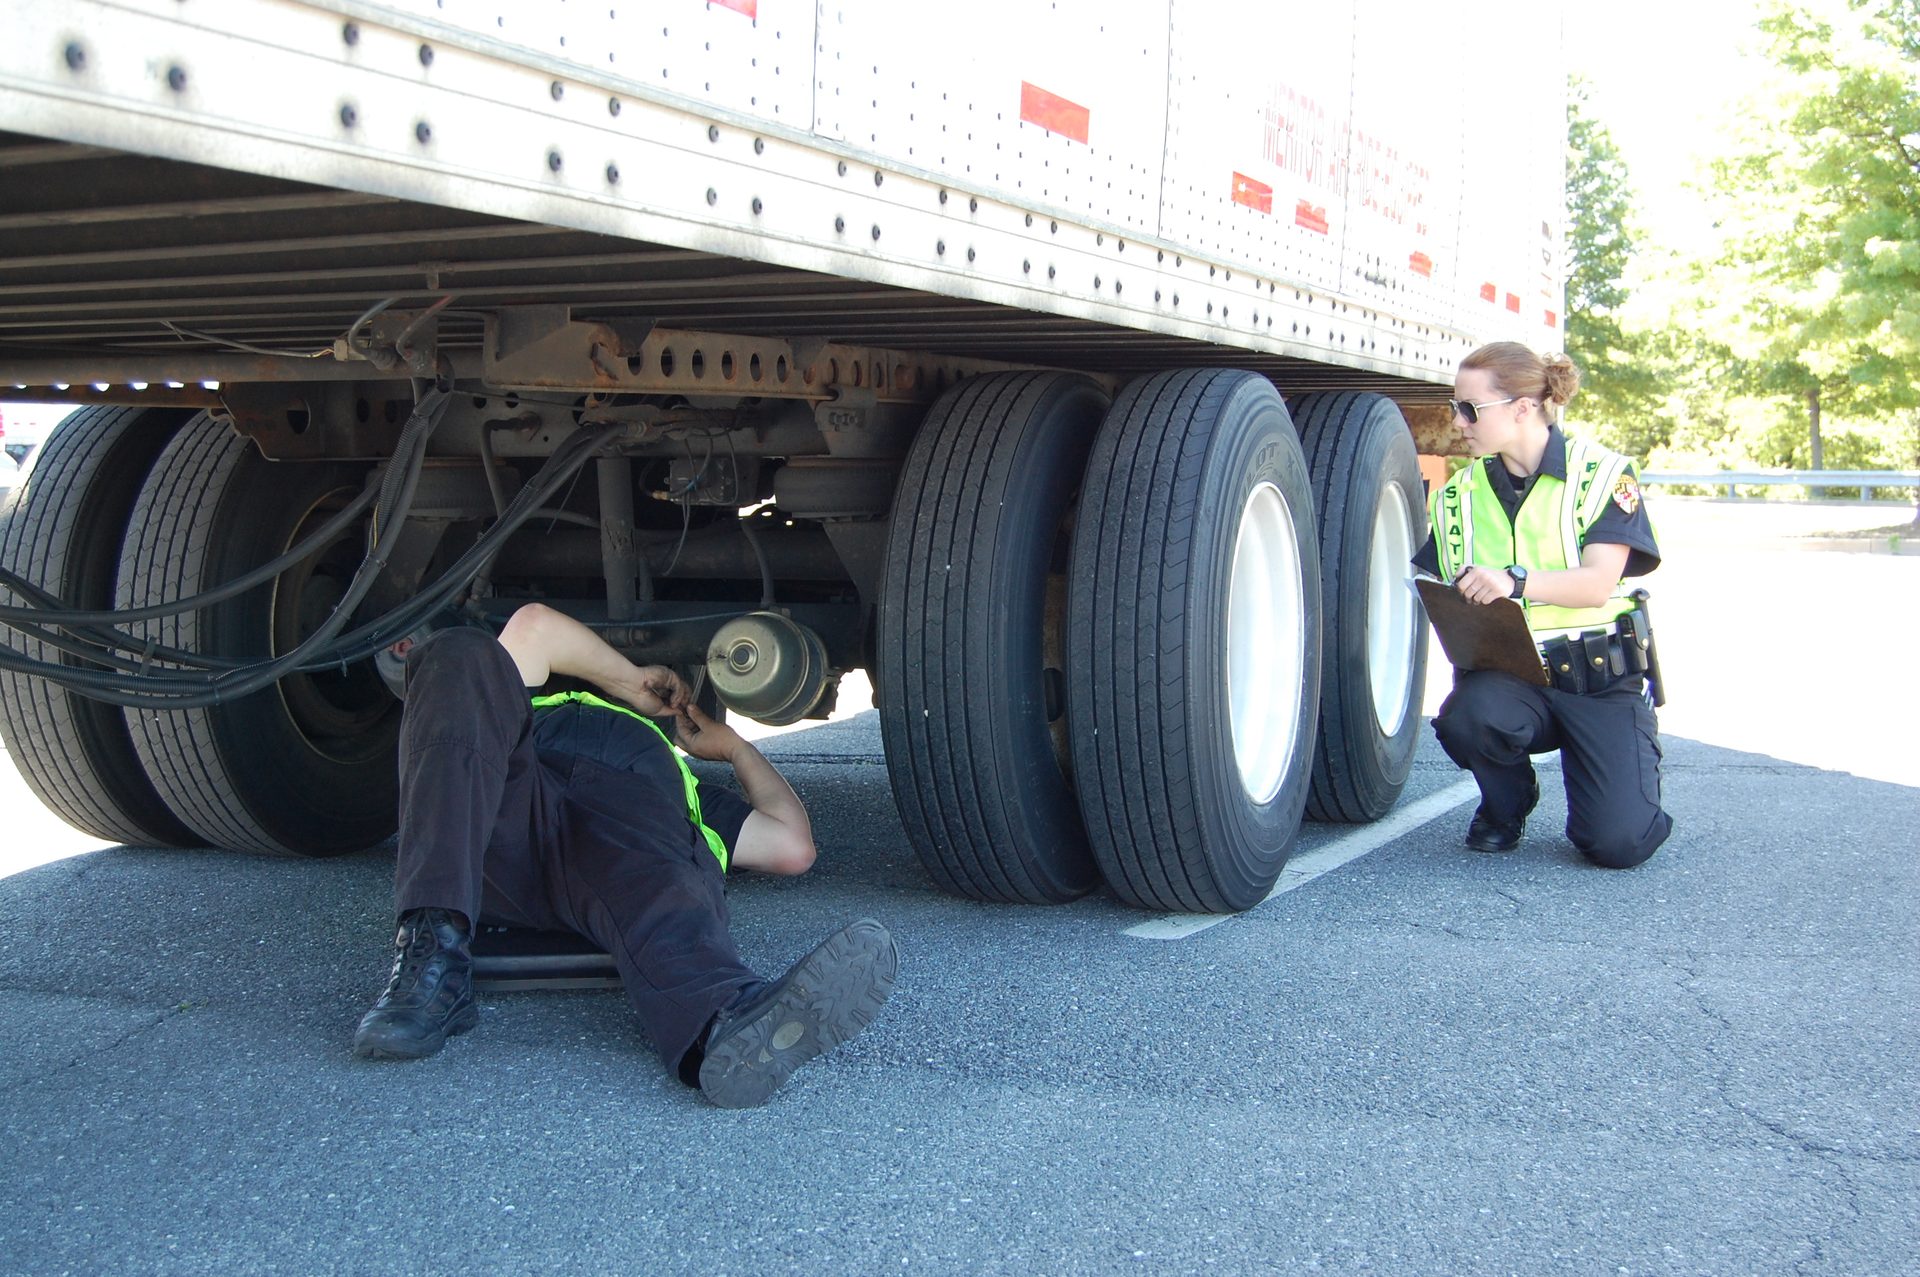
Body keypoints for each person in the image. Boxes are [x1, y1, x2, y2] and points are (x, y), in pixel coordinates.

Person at [350, 602, 898, 1109]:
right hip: (510, 809)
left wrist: (731, 747)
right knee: (458, 650)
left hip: (627, 843)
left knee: (666, 876)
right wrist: (631, 682)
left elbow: (792, 846)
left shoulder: (692, 793)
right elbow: (534, 626)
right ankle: (429, 966)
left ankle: (727, 1024)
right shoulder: (521, 707)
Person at [1413, 342, 1672, 868]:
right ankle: (1507, 803)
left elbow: (1598, 584)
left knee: (1618, 845)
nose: (1457, 421)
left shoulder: (1602, 474)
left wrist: (1515, 581)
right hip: (1513, 679)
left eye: (1470, 408)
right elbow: (1429, 579)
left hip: (1599, 680)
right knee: (1468, 718)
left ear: (1523, 408)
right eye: (1454, 405)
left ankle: (1622, 761)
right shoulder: (1458, 494)